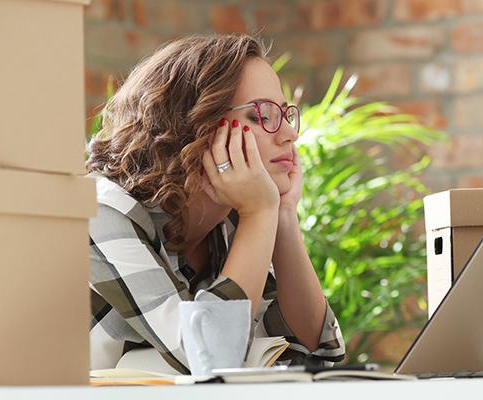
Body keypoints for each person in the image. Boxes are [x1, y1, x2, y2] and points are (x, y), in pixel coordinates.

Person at [86, 34, 345, 373]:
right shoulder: (103, 210)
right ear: (195, 123)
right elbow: (209, 357)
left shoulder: (230, 216)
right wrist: (258, 214)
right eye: (263, 114)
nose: (288, 135)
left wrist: (281, 214)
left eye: (285, 114)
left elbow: (316, 352)